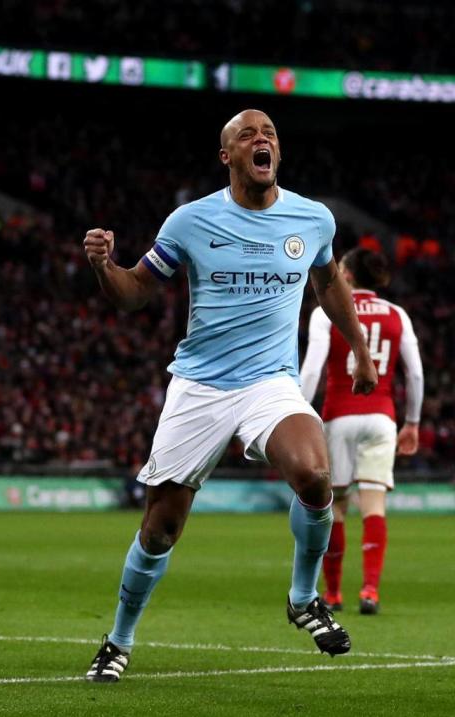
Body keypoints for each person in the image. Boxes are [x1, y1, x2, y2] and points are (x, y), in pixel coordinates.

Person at [81, 109, 378, 683]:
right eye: (248, 134)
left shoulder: (312, 219)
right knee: (161, 527)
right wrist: (103, 266)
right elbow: (134, 293)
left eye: (269, 134)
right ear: (228, 156)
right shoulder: (191, 222)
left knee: (316, 474)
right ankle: (117, 640)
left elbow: (328, 283)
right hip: (200, 387)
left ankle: (302, 596)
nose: (261, 140)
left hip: (271, 383)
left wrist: (360, 349)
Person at [300, 247, 423, 615]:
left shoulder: (327, 313)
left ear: (348, 276)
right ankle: (370, 590)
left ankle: (334, 594)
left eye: (339, 268)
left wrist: (301, 416)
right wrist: (413, 423)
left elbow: (311, 371)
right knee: (374, 505)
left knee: (335, 506)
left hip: (339, 415)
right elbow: (414, 374)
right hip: (382, 417)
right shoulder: (397, 314)